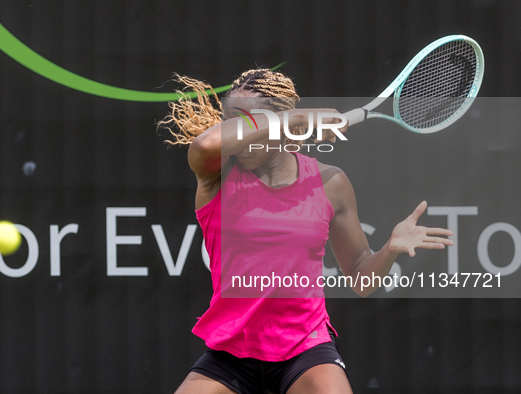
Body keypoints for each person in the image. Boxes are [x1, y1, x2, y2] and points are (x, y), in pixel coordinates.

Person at [160, 69, 454, 394]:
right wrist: (301, 116)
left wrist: (389, 250)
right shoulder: (216, 175)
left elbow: (360, 277)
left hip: (304, 347)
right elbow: (205, 143)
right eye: (232, 123)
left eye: (249, 122)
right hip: (230, 351)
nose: (240, 137)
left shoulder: (331, 183)